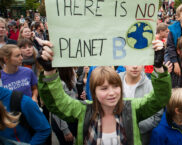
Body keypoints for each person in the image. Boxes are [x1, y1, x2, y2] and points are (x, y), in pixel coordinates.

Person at [37, 40, 172, 145]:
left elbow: (160, 98)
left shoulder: (132, 108)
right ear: (93, 92)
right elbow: (56, 102)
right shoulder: (82, 110)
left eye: (115, 86)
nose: (112, 93)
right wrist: (49, 71)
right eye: (104, 88)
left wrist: (159, 67)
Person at [51, 67, 79, 145]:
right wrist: (65, 130)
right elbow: (57, 110)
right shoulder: (58, 83)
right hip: (63, 122)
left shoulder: (69, 79)